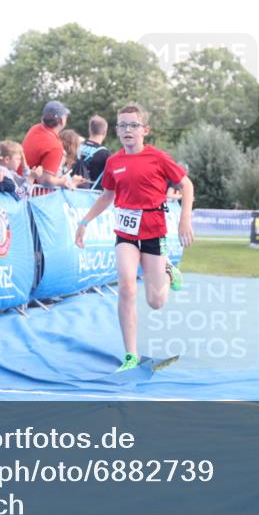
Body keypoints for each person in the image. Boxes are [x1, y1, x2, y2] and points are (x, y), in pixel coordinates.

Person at [74, 103, 195, 372]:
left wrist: (185, 219)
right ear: (117, 130)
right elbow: (107, 197)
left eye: (133, 125)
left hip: (154, 233)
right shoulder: (114, 162)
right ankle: (131, 355)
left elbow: (186, 185)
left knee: (156, 301)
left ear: (145, 130)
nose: (127, 130)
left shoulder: (158, 158)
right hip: (126, 234)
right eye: (122, 125)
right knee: (127, 286)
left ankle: (167, 270)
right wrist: (84, 221)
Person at [21, 100, 77, 189]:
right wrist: (61, 181)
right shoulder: (55, 146)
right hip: (34, 196)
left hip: (20, 185)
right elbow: (45, 180)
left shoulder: (35, 128)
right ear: (62, 120)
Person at [79, 115, 110, 187]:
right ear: (105, 133)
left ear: (90, 130)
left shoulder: (77, 146)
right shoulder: (105, 154)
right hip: (93, 194)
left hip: (71, 191)